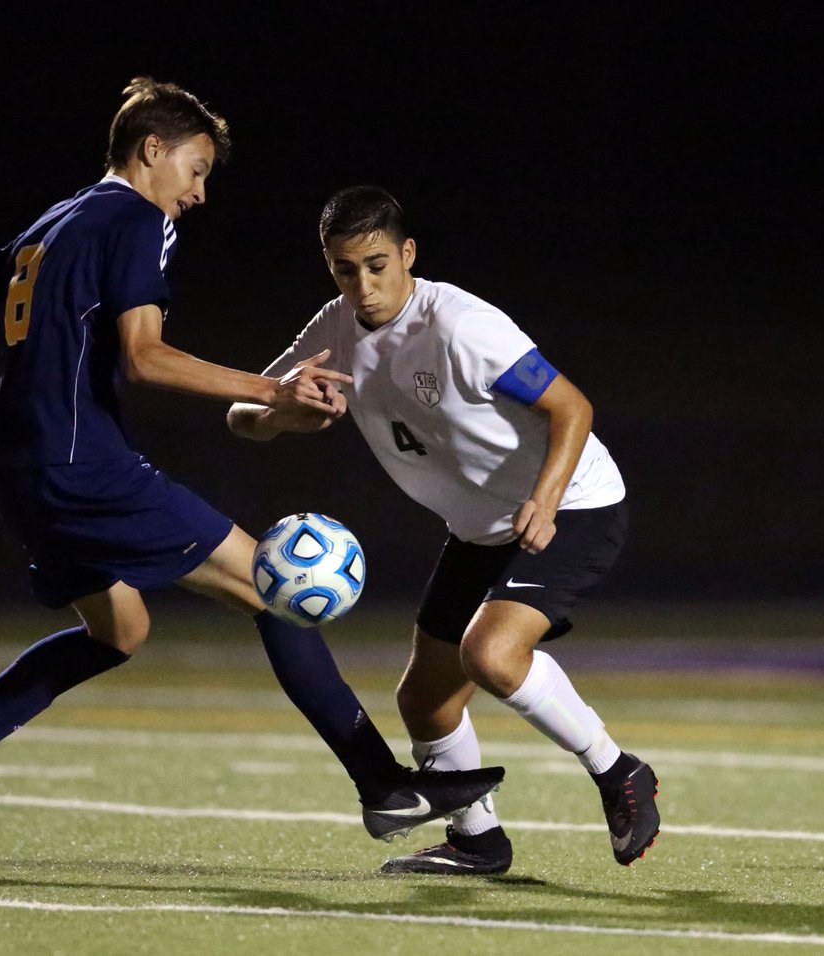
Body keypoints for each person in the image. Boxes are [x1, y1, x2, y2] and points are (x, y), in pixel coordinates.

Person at [0, 80, 503, 869]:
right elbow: (146, 357)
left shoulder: (56, 221)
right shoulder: (134, 217)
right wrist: (272, 388)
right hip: (84, 464)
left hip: (17, 467)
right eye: (196, 167)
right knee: (275, 587)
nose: (199, 191)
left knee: (122, 629)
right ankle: (383, 785)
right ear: (152, 150)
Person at [226, 185, 660, 875]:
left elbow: (572, 407)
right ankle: (478, 841)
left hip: (574, 503)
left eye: (376, 265)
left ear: (408, 254)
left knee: (490, 658)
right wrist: (283, 413)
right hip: (481, 528)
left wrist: (545, 502)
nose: (363, 286)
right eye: (345, 270)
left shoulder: (459, 325)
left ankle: (620, 774)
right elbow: (243, 413)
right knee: (423, 700)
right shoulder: (332, 330)